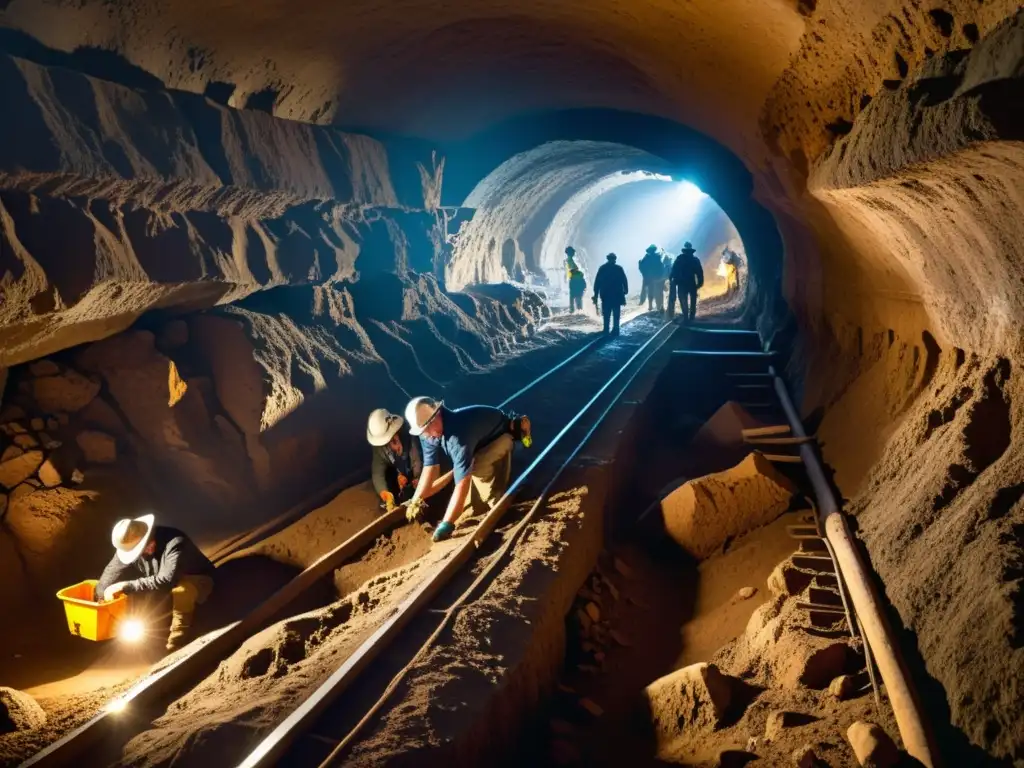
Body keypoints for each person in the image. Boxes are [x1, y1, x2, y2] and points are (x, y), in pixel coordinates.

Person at [404, 397, 531, 543]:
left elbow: (462, 484)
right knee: (469, 484)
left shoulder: (457, 437)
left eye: (428, 428)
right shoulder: (427, 433)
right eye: (423, 431)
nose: (428, 434)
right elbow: (430, 467)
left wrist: (447, 524)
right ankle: (473, 510)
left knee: (479, 470)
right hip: (477, 444)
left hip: (501, 437)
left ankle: (500, 509)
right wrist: (416, 499)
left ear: (438, 415)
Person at [94, 515, 216, 651]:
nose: (147, 549)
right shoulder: (129, 545)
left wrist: (127, 586)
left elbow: (165, 580)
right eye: (140, 551)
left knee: (182, 590)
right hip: (165, 585)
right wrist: (100, 596)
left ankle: (177, 641)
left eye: (146, 543)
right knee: (138, 594)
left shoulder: (175, 542)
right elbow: (111, 571)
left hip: (198, 580)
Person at [367, 408, 423, 512]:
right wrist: (384, 493)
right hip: (402, 472)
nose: (393, 447)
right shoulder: (379, 449)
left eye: (393, 440)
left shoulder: (409, 433)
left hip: (420, 469)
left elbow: (417, 459)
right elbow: (377, 473)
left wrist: (418, 477)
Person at [592, 253, 629, 335]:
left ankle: (606, 329)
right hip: (616, 294)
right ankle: (615, 329)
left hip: (606, 294)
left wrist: (596, 293)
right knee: (615, 313)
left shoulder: (603, 268)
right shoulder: (618, 268)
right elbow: (624, 280)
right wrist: (626, 289)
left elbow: (597, 282)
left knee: (607, 313)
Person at [669, 242, 704, 323]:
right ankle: (692, 316)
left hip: (681, 283)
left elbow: (674, 269)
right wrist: (700, 282)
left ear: (684, 251)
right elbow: (699, 272)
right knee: (693, 300)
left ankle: (685, 316)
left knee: (683, 299)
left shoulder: (679, 259)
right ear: (691, 251)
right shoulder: (695, 260)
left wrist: (671, 278)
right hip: (691, 283)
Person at [639, 245, 665, 311]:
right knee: (659, 292)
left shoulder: (646, 257)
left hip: (649, 278)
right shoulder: (658, 257)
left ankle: (650, 306)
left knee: (650, 292)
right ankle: (660, 306)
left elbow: (642, 268)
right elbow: (661, 267)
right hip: (658, 277)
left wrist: (639, 264)